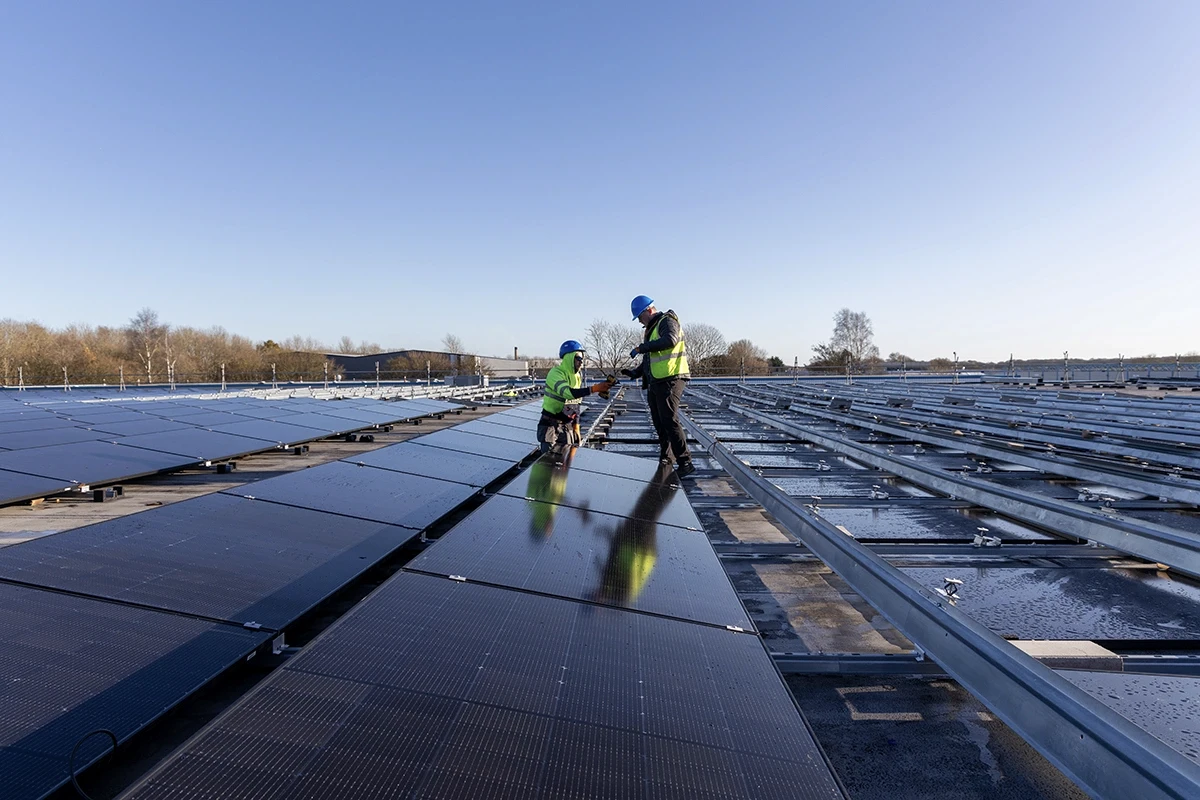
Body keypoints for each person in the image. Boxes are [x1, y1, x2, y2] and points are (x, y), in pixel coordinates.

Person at [622, 295, 694, 478]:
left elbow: (670, 340)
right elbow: (650, 359)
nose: (639, 321)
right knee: (658, 420)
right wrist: (635, 373)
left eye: (639, 316)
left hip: (671, 377)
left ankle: (685, 462)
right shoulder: (651, 329)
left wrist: (642, 348)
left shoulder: (667, 321)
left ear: (648, 310)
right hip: (656, 380)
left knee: (669, 419)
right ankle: (666, 457)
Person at [539, 340, 613, 454]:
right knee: (548, 461)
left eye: (582, 359)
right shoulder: (556, 373)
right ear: (569, 358)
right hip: (550, 426)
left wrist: (576, 426)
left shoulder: (577, 376)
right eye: (578, 358)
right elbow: (568, 393)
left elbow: (577, 403)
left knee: (565, 460)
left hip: (566, 425)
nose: (581, 362)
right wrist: (595, 389)